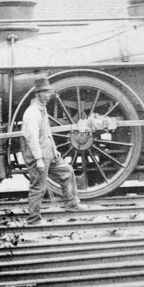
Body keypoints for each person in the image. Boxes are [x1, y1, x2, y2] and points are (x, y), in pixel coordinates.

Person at [21, 74, 88, 225]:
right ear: (37, 94)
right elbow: (31, 138)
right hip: (38, 154)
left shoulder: (42, 109)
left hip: (49, 152)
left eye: (48, 92)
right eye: (44, 92)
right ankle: (34, 219)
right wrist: (39, 159)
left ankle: (72, 203)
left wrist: (55, 149)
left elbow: (47, 131)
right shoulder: (32, 112)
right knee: (38, 186)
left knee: (67, 171)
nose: (47, 95)